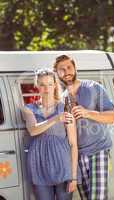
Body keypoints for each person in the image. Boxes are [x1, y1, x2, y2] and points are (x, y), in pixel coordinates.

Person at [53, 55, 114, 200]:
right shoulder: (62, 99)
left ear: (75, 68)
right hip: (77, 156)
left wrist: (87, 113)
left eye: (69, 67)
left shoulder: (93, 87)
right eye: (61, 69)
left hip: (98, 149)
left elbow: (113, 117)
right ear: (57, 73)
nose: (66, 71)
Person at [22, 68, 78, 200]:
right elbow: (33, 130)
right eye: (42, 85)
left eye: (49, 84)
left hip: (63, 166)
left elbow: (73, 144)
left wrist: (74, 177)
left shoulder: (65, 108)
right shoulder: (28, 109)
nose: (46, 89)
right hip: (39, 167)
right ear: (37, 86)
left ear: (54, 85)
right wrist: (56, 119)